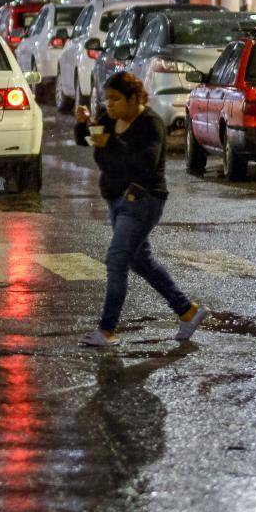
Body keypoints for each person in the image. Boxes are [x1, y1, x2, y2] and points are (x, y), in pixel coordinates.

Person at [78, 71, 203, 349]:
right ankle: (187, 310)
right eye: (107, 98)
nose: (110, 105)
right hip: (115, 199)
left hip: (142, 199)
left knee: (116, 260)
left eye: (116, 99)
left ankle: (107, 330)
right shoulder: (109, 119)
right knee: (139, 261)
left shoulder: (151, 124)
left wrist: (111, 144)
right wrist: (81, 125)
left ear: (135, 98)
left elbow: (144, 162)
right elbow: (86, 141)